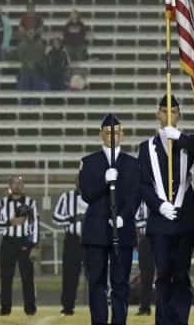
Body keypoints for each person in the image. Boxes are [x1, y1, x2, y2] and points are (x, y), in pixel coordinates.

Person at [138, 95, 194, 325]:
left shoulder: (188, 141)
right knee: (163, 275)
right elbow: (143, 183)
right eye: (164, 111)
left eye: (174, 111)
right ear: (157, 114)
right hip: (160, 222)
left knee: (181, 274)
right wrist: (159, 205)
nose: (169, 115)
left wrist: (180, 138)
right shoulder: (146, 147)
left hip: (184, 220)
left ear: (179, 115)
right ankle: (163, 321)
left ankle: (180, 320)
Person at [79, 113, 141, 325]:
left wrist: (123, 217)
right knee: (96, 282)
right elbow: (87, 193)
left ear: (122, 134)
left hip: (122, 230)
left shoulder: (133, 164)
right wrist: (103, 181)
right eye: (107, 133)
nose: (112, 137)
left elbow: (135, 195)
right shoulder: (89, 162)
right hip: (96, 231)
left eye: (116, 132)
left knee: (120, 282)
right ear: (101, 135)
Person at [0, 176, 39, 316]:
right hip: (8, 242)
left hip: (25, 241)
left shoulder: (30, 203)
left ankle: (30, 308)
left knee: (28, 277)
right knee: (6, 277)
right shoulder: (2, 203)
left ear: (23, 186)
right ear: (9, 186)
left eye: (19, 183)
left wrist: (34, 245)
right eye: (14, 183)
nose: (17, 186)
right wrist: (10, 222)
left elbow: (34, 224)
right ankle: (5, 308)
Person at [52, 178, 88, 316]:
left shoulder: (98, 196)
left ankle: (98, 304)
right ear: (75, 183)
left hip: (92, 240)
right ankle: (68, 306)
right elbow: (56, 217)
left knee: (96, 274)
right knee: (70, 274)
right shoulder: (66, 197)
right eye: (79, 180)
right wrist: (72, 218)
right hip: (73, 240)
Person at [134, 201, 154, 316]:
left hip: (161, 237)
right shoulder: (139, 201)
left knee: (166, 272)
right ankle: (145, 306)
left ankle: (168, 304)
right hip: (145, 239)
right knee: (146, 275)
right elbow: (135, 222)